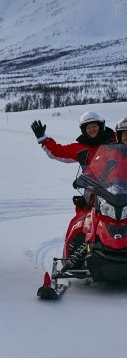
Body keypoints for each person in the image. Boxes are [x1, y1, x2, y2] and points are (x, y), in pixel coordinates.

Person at [31, 111, 116, 266]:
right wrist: (44, 139)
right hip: (92, 193)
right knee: (80, 222)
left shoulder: (114, 141)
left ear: (101, 126)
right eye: (88, 127)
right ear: (84, 130)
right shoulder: (80, 147)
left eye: (94, 126)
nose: (92, 129)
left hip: (118, 190)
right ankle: (74, 259)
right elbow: (59, 152)